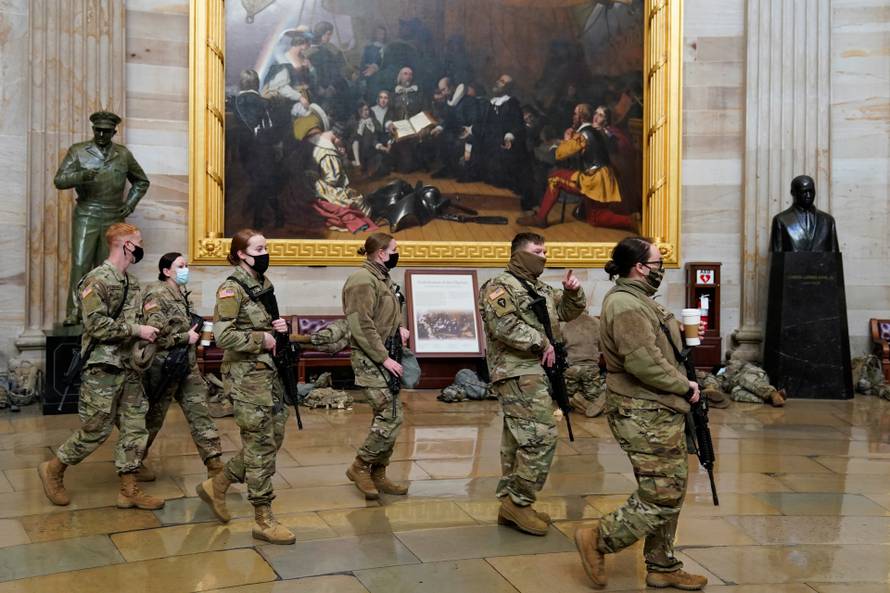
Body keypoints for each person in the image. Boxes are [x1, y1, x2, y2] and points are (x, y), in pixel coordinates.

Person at [574, 236, 707, 591]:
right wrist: (684, 386)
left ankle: (662, 564)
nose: (662, 270)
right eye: (658, 263)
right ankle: (599, 539)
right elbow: (643, 362)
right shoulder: (626, 305)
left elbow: (654, 344)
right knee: (662, 492)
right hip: (644, 410)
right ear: (640, 267)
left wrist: (683, 333)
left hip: (658, 408)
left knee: (671, 488)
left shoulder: (639, 301)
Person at [38, 223, 164, 510]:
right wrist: (137, 330)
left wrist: (151, 324)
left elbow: (147, 311)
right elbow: (96, 326)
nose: (141, 247)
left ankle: (129, 488)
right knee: (97, 428)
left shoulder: (130, 283)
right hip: (103, 368)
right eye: (138, 242)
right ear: (125, 245)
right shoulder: (96, 280)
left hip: (129, 367)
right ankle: (54, 468)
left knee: (135, 426)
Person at [478, 232, 586, 535]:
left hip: (534, 371)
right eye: (538, 251)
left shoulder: (538, 287)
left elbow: (565, 312)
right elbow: (504, 325)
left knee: (517, 439)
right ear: (519, 254)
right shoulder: (498, 286)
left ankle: (513, 505)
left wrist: (572, 293)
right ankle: (519, 502)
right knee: (540, 436)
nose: (544, 256)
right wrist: (541, 342)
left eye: (546, 251)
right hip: (515, 370)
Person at [196, 229, 295, 545]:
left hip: (269, 374)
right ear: (241, 253)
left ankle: (219, 483)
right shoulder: (230, 290)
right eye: (259, 248)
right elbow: (221, 336)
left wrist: (278, 329)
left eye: (266, 246)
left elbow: (263, 325)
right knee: (260, 443)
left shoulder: (264, 285)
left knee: (273, 437)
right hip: (246, 378)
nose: (265, 252)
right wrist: (259, 339)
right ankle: (263, 518)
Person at [54, 111, 150, 325]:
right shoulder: (78, 151)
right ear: (93, 129)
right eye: (98, 130)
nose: (101, 134)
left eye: (106, 131)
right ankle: (76, 311)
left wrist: (130, 204)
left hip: (113, 214)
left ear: (114, 132)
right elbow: (59, 180)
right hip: (87, 212)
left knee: (107, 265)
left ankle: (104, 310)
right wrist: (81, 176)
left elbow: (141, 181)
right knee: (80, 262)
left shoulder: (122, 154)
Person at [137, 252, 224, 482]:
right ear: (166, 271)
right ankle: (132, 462)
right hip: (164, 367)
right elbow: (154, 336)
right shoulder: (156, 294)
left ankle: (215, 465)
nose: (185, 269)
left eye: (186, 265)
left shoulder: (182, 294)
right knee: (152, 420)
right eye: (180, 266)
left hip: (187, 365)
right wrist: (185, 338)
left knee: (200, 413)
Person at [342, 233, 410, 500]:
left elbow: (387, 313)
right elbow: (361, 325)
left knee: (386, 415)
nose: (397, 253)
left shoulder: (382, 278)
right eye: (394, 249)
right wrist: (384, 358)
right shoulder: (362, 280)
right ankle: (359, 466)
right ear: (381, 253)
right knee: (391, 417)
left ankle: (378, 473)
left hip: (386, 355)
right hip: (372, 359)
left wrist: (400, 328)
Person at [517, 103, 637, 231]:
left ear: (580, 117)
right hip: (602, 177)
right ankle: (631, 221)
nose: (573, 116)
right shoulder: (593, 132)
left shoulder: (584, 134)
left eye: (575, 114)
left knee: (554, 178)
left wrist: (558, 144)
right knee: (596, 218)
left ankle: (540, 219)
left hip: (594, 178)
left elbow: (559, 154)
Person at [466, 74, 534, 210]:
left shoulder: (512, 104)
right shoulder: (491, 102)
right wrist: (471, 129)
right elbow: (485, 124)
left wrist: (509, 136)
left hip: (502, 140)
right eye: (499, 80)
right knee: (472, 144)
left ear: (508, 87)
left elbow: (517, 126)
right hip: (489, 139)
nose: (498, 82)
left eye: (502, 82)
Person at [769, 174, 839, 252]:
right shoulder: (781, 220)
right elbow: (775, 258)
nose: (808, 195)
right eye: (804, 192)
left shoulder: (828, 221)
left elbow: (835, 257)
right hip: (793, 264)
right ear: (793, 193)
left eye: (811, 191)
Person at [563, 312, 606, 418]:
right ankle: (587, 405)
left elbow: (558, 344)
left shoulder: (564, 323)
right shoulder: (597, 323)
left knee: (566, 395)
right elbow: (602, 345)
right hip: (591, 367)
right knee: (594, 396)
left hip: (571, 366)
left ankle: (574, 400)